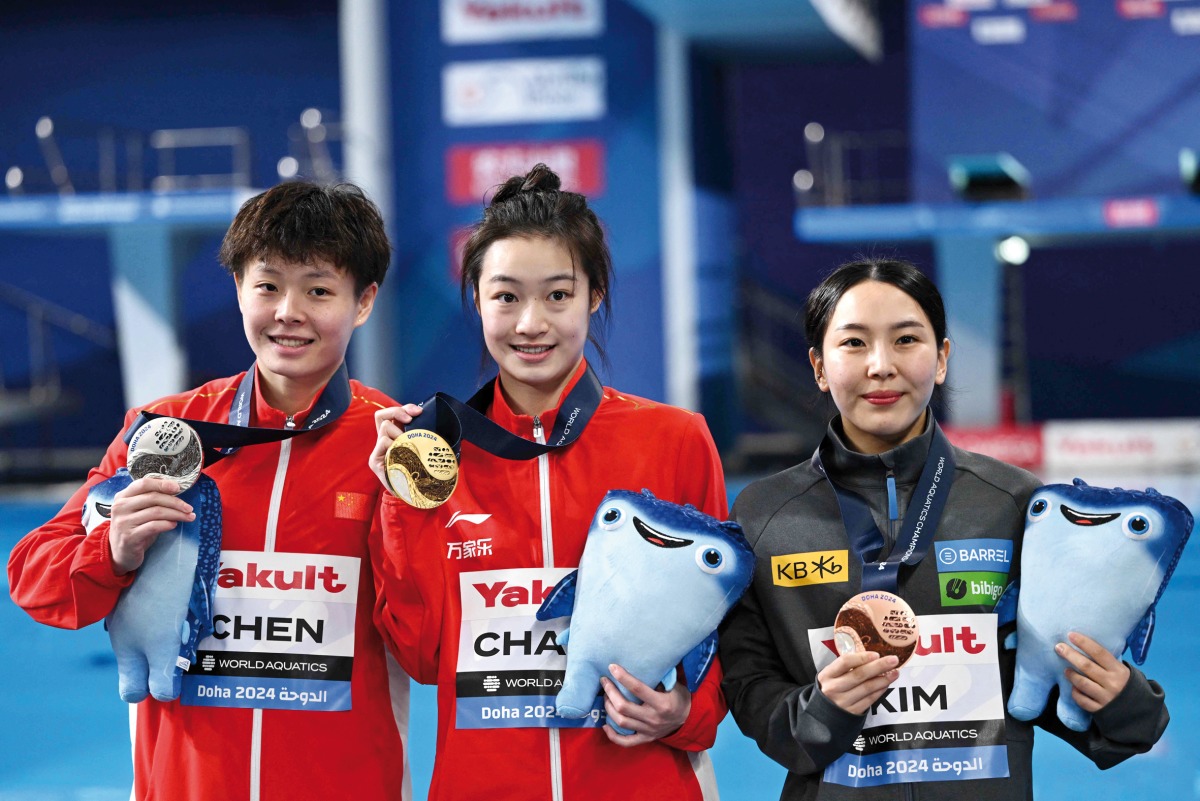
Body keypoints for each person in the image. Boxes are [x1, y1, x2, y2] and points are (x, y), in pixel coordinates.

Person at [8, 181, 410, 801]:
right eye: (268, 285)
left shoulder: (391, 446)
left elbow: (430, 641)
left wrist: (408, 519)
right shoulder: (165, 432)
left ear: (364, 302)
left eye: (319, 290)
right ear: (239, 287)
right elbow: (34, 579)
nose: (288, 312)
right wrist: (112, 549)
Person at [718, 258, 1168, 800]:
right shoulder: (764, 516)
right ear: (819, 366)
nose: (880, 366)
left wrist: (1123, 699)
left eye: (906, 340)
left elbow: (1062, 691)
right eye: (854, 343)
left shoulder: (1015, 504)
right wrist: (820, 712)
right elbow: (750, 689)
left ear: (942, 358)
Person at [367, 163, 728, 800]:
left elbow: (726, 621)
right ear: (476, 299)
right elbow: (423, 659)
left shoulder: (673, 440)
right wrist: (403, 501)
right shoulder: (437, 453)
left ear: (593, 295)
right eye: (506, 296)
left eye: (558, 295)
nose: (531, 323)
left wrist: (688, 711)